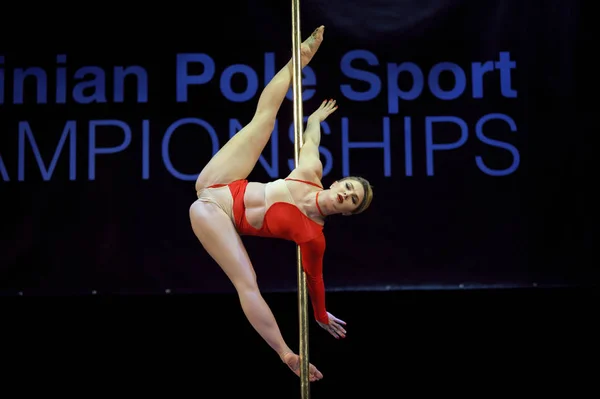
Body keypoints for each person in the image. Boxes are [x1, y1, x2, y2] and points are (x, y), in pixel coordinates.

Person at [189, 25, 373, 382]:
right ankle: (298, 60)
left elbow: (315, 280)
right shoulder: (310, 170)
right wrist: (316, 119)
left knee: (248, 282)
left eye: (352, 201)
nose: (345, 195)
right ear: (337, 182)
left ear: (348, 212)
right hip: (222, 183)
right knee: (265, 120)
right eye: (348, 187)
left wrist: (320, 315)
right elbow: (310, 139)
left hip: (214, 213)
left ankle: (286, 353)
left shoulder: (314, 238)